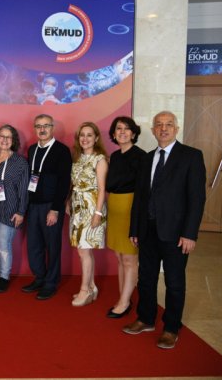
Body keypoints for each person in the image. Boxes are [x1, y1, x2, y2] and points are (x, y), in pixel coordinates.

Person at [123, 111, 206, 350]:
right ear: (153, 130)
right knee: (146, 278)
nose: (163, 128)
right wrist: (135, 228)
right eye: (159, 125)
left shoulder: (191, 156)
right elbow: (140, 198)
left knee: (174, 282)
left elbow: (197, 199)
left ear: (176, 129)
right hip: (147, 232)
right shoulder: (147, 158)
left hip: (176, 234)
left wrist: (190, 233)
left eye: (169, 124)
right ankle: (146, 319)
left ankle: (171, 328)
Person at [23, 114, 72, 300]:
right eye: (38, 126)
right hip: (33, 205)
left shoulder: (61, 151)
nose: (42, 129)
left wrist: (55, 209)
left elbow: (64, 182)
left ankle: (51, 283)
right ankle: (39, 278)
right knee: (34, 245)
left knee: (52, 246)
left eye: (46, 126)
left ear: (52, 128)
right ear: (34, 129)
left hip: (51, 206)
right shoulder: (32, 149)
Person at [0, 125, 29, 293]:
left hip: (10, 209)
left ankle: (4, 276)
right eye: (2, 136)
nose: (5, 140)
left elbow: (24, 189)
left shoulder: (20, 162)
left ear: (13, 140)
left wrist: (21, 212)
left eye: (9, 137)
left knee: (4, 244)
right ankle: (0, 272)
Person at [105, 116, 145, 318]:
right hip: (114, 210)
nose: (122, 132)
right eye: (118, 129)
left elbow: (143, 191)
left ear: (134, 133)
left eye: (127, 128)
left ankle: (124, 302)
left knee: (130, 258)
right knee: (120, 257)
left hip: (131, 210)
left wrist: (137, 221)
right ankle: (124, 297)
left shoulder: (141, 156)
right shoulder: (114, 156)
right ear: (113, 134)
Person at [68, 122, 108, 307]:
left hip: (92, 208)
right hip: (77, 208)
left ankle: (85, 290)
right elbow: (74, 183)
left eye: (89, 135)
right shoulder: (77, 158)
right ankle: (91, 287)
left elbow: (102, 189)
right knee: (83, 249)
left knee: (84, 250)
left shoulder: (100, 159)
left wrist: (97, 213)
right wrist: (68, 201)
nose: (85, 138)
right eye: (82, 135)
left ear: (96, 138)